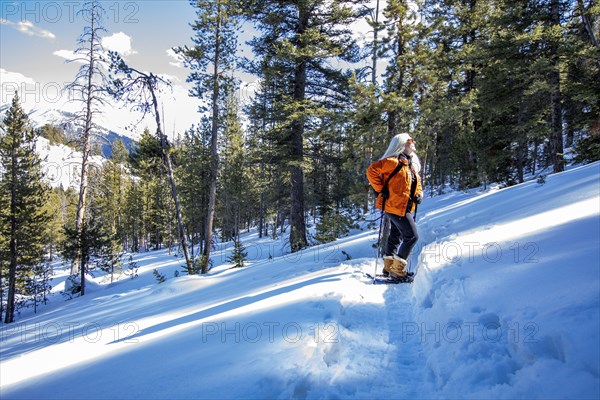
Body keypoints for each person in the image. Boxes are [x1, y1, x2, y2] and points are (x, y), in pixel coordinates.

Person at [366, 133, 423, 280]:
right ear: (403, 144)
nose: (413, 142)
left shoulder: (409, 164)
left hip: (403, 206)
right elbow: (371, 170)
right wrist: (380, 189)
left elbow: (416, 182)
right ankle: (398, 272)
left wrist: (418, 194)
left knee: (396, 235)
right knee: (412, 236)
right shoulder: (392, 162)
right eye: (410, 140)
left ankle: (388, 268)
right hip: (395, 206)